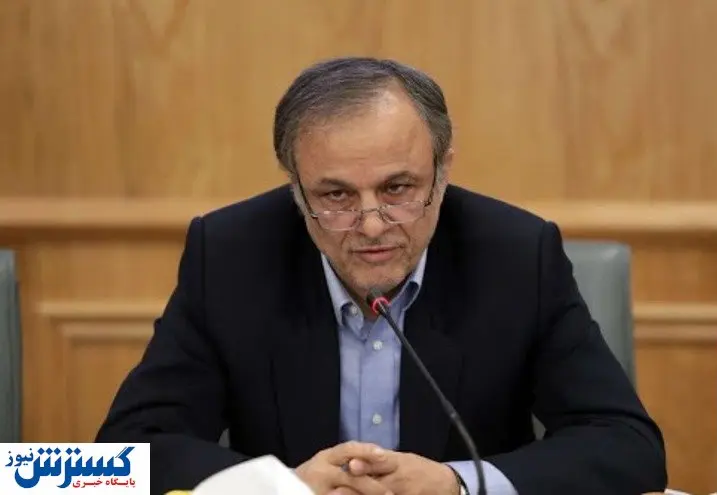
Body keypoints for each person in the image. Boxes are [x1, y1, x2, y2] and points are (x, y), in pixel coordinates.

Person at [96, 57, 668, 495]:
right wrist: (282, 487)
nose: (371, 225)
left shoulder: (516, 255)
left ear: (442, 172)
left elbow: (629, 447)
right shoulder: (229, 256)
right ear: (296, 188)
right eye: (335, 196)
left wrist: (458, 483)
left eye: (398, 189)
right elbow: (114, 460)